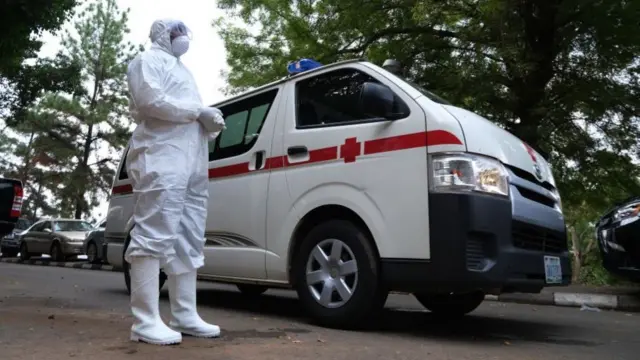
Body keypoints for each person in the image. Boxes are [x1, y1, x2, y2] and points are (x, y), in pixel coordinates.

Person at [124, 19, 226, 346]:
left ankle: (184, 313)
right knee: (155, 229)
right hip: (161, 153)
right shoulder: (146, 61)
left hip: (192, 157)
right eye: (176, 32)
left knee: (189, 232)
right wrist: (199, 111)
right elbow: (149, 101)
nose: (183, 38)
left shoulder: (183, 70)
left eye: (184, 32)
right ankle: (144, 320)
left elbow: (188, 111)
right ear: (162, 35)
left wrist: (208, 121)